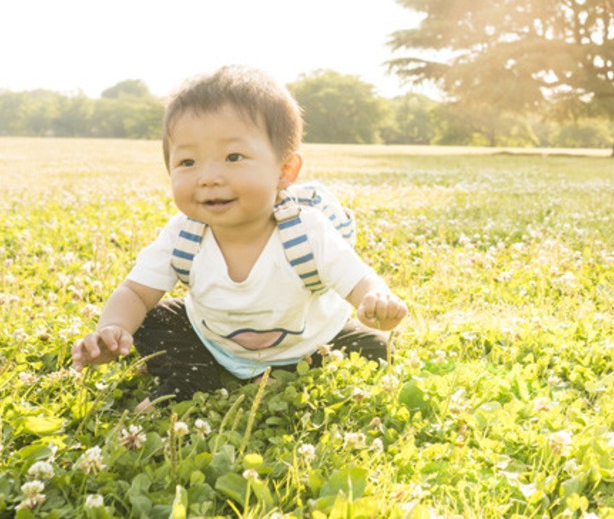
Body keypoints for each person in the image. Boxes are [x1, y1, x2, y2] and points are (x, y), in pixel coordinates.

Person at [71, 65, 407, 410]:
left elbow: (358, 280)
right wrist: (112, 327)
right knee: (154, 318)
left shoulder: (307, 230)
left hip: (309, 344)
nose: (209, 177)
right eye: (187, 162)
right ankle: (190, 379)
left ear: (285, 171)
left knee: (375, 347)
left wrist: (375, 299)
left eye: (233, 157)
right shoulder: (183, 234)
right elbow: (136, 292)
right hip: (213, 341)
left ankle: (286, 372)